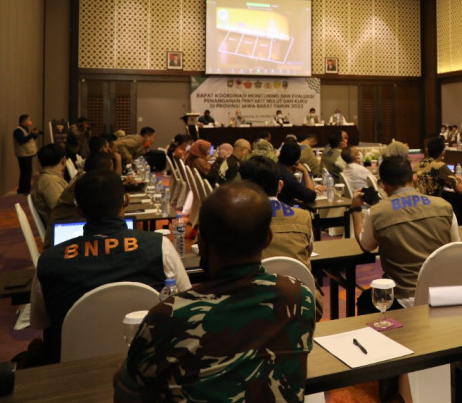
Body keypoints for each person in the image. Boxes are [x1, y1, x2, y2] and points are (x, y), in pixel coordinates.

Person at [113, 181, 316, 401]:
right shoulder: (299, 296)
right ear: (268, 238)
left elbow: (127, 394)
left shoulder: (167, 316)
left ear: (201, 240)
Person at [31, 170, 190, 362]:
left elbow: (40, 321)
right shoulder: (160, 246)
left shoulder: (49, 260)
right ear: (126, 200)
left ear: (78, 210)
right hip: (149, 366)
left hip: (73, 371)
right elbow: (186, 300)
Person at [350, 155, 459, 308]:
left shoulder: (377, 213)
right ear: (414, 178)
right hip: (441, 294)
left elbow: (366, 246)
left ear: (383, 186)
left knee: (364, 301)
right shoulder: (445, 207)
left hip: (401, 297)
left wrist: (355, 209)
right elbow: (456, 248)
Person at [31, 143, 68, 231]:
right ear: (63, 160)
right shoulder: (50, 181)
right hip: (62, 229)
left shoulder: (48, 178)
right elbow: (61, 212)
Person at [275, 141, 318, 205]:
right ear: (296, 162)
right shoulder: (288, 178)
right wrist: (304, 171)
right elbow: (311, 195)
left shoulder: (273, 167)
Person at [13, 114, 41, 194]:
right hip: (23, 155)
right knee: (25, 173)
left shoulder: (25, 129)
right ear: (23, 121)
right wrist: (32, 134)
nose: (30, 122)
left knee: (27, 173)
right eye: (28, 120)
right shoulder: (18, 130)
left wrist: (35, 135)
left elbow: (29, 140)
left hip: (28, 154)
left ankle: (25, 189)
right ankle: (23, 190)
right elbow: (22, 140)